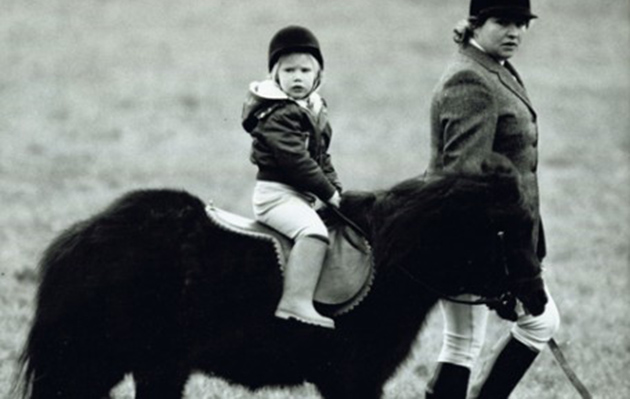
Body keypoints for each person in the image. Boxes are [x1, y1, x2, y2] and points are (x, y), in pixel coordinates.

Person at [424, 0, 561, 397]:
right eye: (503, 22)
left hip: (484, 236)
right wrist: (502, 261)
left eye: (521, 23)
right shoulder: (470, 80)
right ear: (475, 24)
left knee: (462, 342)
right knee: (540, 322)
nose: (514, 32)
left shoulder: (492, 68)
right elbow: (465, 177)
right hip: (475, 239)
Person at [242, 26, 342, 329]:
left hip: (298, 195)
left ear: (318, 75)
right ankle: (295, 302)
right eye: (288, 70)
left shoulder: (313, 109)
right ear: (275, 75)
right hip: (276, 196)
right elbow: (297, 162)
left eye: (304, 69)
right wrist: (327, 192)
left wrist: (337, 190)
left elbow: (322, 158)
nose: (297, 76)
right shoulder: (279, 113)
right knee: (313, 233)